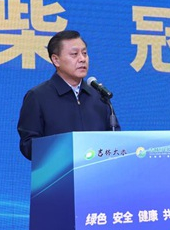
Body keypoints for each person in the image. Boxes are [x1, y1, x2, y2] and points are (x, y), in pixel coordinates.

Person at [17, 30, 119, 160]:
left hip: (97, 171)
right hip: (58, 171)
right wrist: (64, 151)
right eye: (74, 54)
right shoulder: (38, 97)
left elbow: (115, 140)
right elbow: (28, 145)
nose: (82, 59)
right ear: (56, 60)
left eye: (84, 53)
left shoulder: (99, 96)